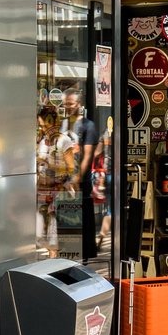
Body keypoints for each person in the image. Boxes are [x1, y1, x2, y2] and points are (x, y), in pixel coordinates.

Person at [63, 88, 99, 261]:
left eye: (71, 104)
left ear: (79, 104)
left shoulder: (88, 126)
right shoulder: (63, 124)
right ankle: (66, 257)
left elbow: (87, 156)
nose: (68, 107)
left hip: (80, 184)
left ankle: (83, 259)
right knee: (65, 223)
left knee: (82, 222)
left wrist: (77, 179)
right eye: (65, 105)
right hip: (61, 182)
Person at [35, 106, 74, 256]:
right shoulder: (43, 141)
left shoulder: (64, 141)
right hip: (42, 192)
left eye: (45, 125)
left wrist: (49, 164)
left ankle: (53, 264)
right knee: (40, 235)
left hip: (56, 193)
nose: (42, 128)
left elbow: (70, 168)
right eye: (40, 125)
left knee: (52, 237)